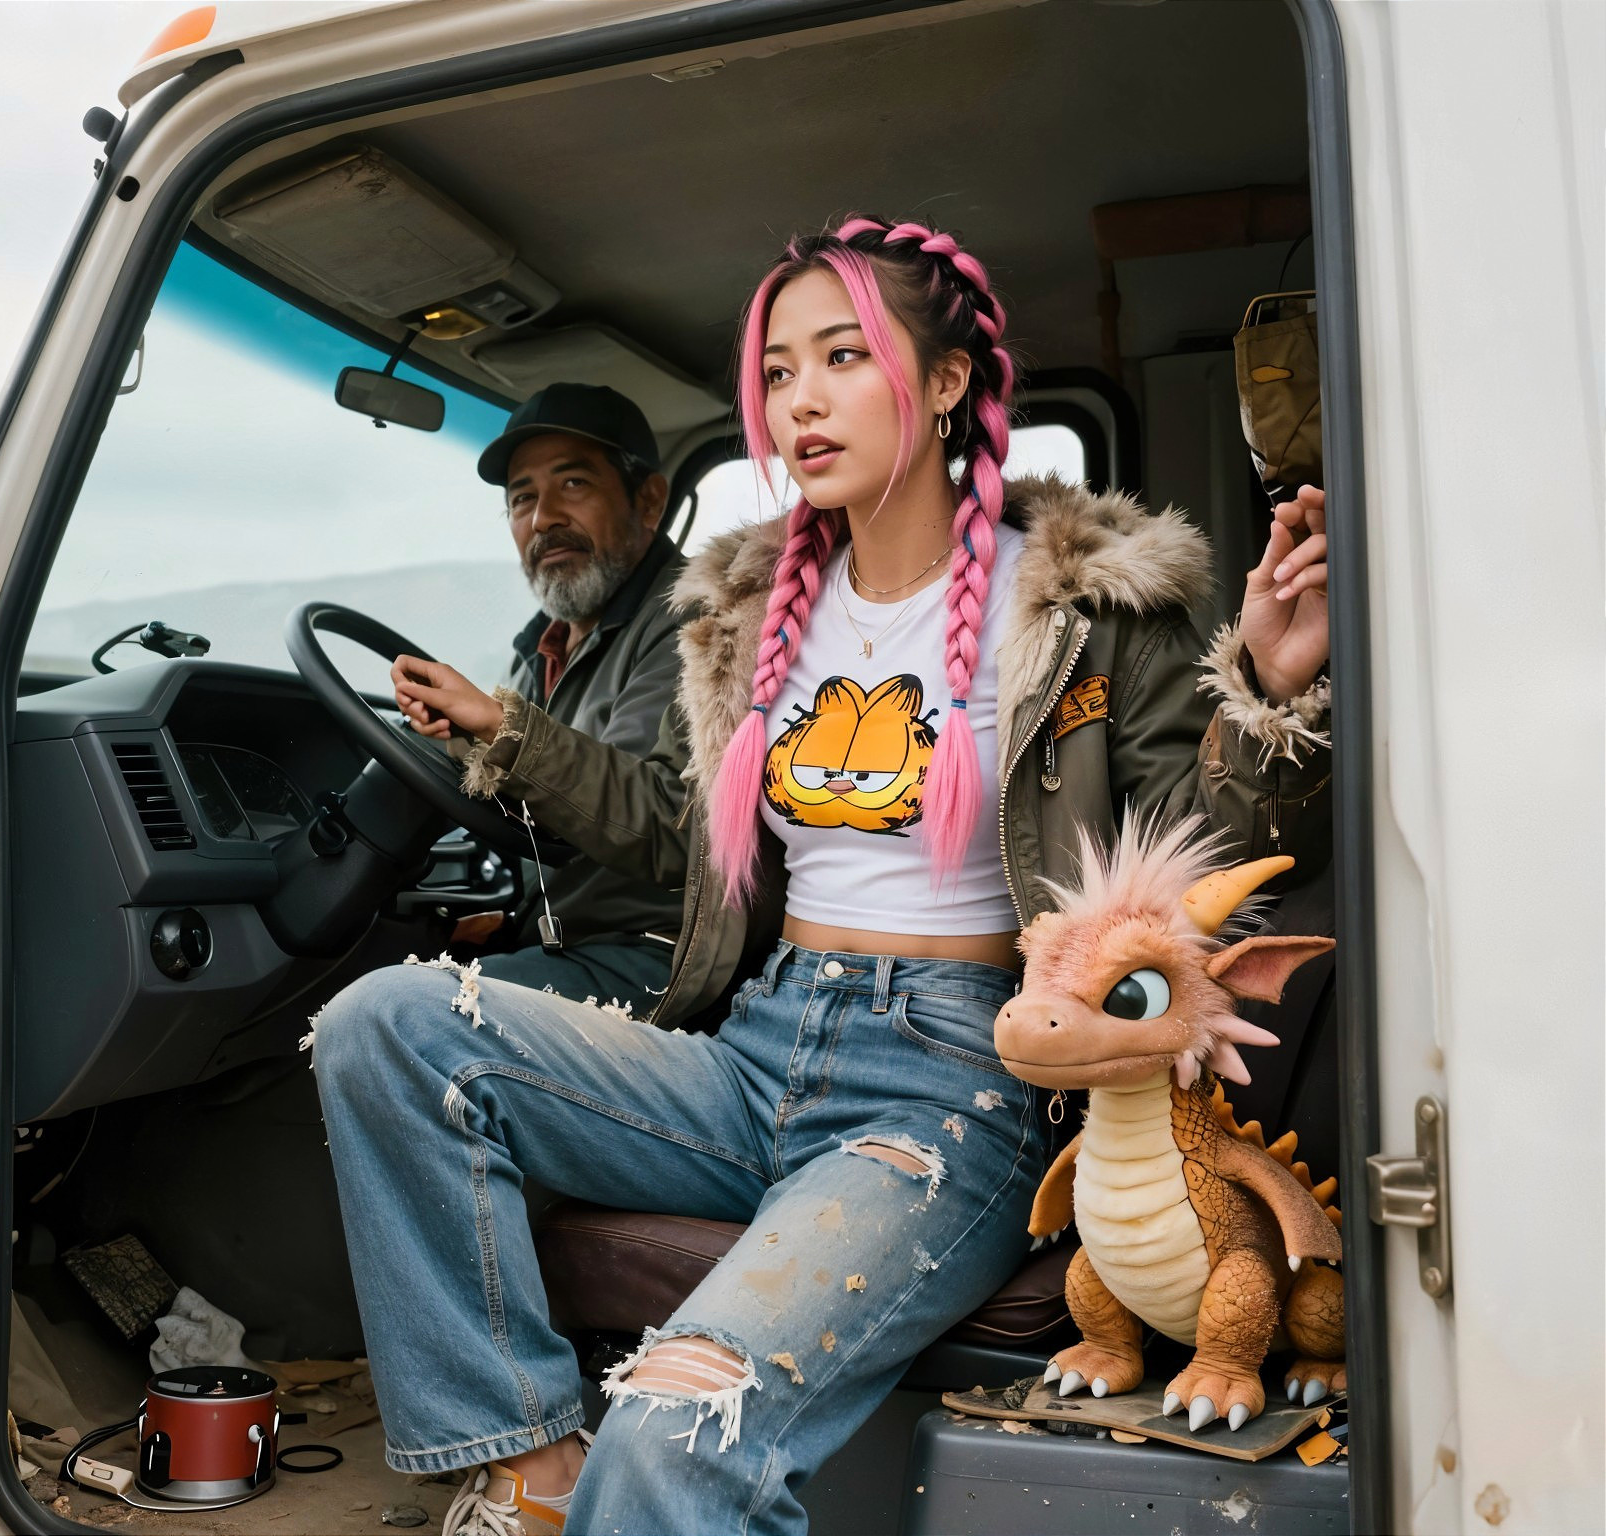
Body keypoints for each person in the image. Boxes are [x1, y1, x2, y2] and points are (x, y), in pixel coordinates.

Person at [318, 216, 1334, 1536]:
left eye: (842, 357)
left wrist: (1256, 687)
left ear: (952, 380)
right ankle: (526, 1466)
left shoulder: (1090, 603)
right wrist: (513, 736)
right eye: (780, 371)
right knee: (385, 1027)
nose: (800, 400)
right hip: (753, 1049)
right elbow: (689, 839)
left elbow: (1201, 868)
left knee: (679, 1431)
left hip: (952, 1085)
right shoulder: (747, 611)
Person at [446, 381, 689, 1011]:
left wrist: (504, 733)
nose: (543, 518)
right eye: (521, 498)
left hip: (656, 953)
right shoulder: (543, 649)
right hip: (567, 937)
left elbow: (661, 818)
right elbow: (544, 817)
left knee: (394, 1011)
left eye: (572, 485)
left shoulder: (695, 621)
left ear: (649, 501)